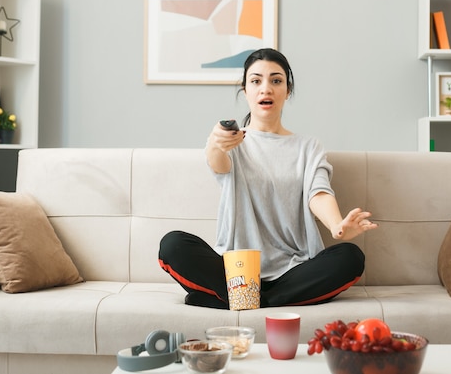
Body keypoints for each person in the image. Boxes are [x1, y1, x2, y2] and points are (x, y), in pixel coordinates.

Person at [158, 48, 378, 309]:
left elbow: (318, 192)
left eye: (276, 80)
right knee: (173, 244)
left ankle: (242, 300)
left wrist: (336, 226)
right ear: (245, 90)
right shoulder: (231, 141)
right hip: (235, 271)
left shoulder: (308, 147)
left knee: (350, 257)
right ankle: (252, 297)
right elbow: (217, 161)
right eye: (256, 81)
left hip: (294, 271)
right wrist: (216, 143)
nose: (266, 88)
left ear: (288, 90)